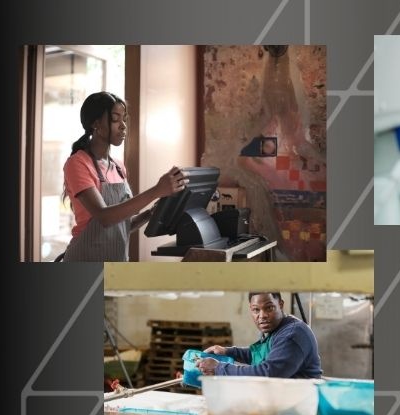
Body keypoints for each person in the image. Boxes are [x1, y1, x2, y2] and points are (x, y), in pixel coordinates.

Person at [62, 91, 188, 261]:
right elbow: (105, 217)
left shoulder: (119, 167)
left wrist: (150, 213)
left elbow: (121, 225)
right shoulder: (78, 163)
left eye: (124, 119)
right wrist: (157, 191)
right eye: (115, 119)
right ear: (96, 124)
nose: (123, 126)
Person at [197, 292, 322, 378]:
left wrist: (219, 368)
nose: (262, 316)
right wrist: (226, 351)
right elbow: (259, 354)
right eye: (256, 310)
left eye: (269, 308)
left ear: (281, 305)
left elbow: (268, 373)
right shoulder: (275, 329)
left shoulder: (292, 334)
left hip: (298, 406)